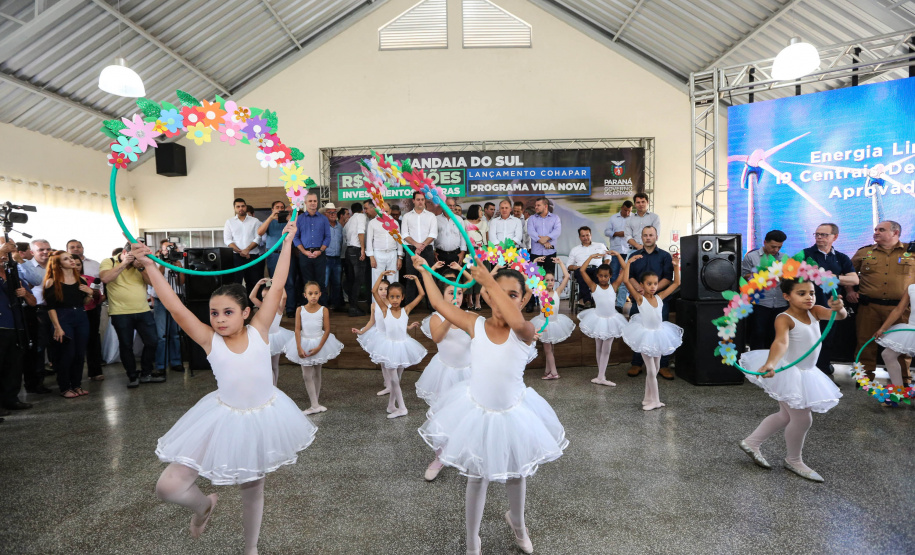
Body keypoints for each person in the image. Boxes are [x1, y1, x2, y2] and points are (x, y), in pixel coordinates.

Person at [135, 221, 317, 555]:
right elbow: (175, 306)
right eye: (214, 313)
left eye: (228, 312)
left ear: (247, 312)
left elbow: (277, 284)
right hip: (221, 418)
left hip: (264, 417)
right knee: (168, 486)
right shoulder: (209, 340)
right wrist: (149, 265)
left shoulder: (260, 330)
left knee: (253, 491)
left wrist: (288, 241)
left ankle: (250, 549)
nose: (219, 319)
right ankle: (204, 505)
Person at [416, 259, 567, 555]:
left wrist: (489, 282)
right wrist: (423, 271)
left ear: (524, 300)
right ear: (487, 296)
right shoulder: (476, 324)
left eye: (512, 294)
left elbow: (514, 318)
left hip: (514, 413)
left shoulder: (524, 331)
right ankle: (473, 540)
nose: (503, 298)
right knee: (476, 477)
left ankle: (518, 523)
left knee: (516, 474)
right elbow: (437, 302)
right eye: (498, 291)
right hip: (477, 412)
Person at [738, 278, 846, 482]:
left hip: (808, 372)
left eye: (812, 293)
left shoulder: (815, 311)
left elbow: (839, 316)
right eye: (802, 293)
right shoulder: (784, 318)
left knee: (785, 416)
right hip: (791, 373)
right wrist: (771, 363)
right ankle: (794, 460)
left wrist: (839, 308)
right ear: (787, 296)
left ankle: (751, 442)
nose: (809, 297)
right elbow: (781, 342)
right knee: (803, 418)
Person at [415, 263, 474, 482]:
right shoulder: (436, 318)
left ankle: (466, 453)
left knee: (467, 416)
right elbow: (438, 338)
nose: (456, 296)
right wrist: (451, 315)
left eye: (459, 292)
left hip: (467, 373)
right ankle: (439, 456)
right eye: (451, 293)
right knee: (443, 416)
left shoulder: (470, 316)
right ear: (442, 294)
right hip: (444, 374)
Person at [850, 221, 915, 383]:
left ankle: (903, 381)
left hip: (900, 308)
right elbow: (848, 272)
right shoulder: (864, 252)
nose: (876, 232)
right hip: (869, 307)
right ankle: (864, 379)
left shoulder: (912, 251)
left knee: (901, 347)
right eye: (876, 230)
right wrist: (850, 291)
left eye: (881, 230)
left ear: (895, 233)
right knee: (865, 343)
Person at [622, 254, 682, 410]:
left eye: (655, 283)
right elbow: (626, 281)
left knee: (655, 370)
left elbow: (677, 283)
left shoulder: (660, 297)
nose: (653, 286)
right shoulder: (640, 299)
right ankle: (655, 401)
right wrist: (628, 263)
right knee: (651, 370)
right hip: (646, 336)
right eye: (649, 284)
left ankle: (647, 398)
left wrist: (676, 266)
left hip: (659, 334)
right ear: (642, 284)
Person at [100, 243, 163, 388]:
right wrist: (125, 263)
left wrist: (140, 267)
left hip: (143, 310)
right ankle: (132, 375)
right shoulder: (109, 262)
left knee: (152, 341)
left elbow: (153, 282)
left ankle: (146, 373)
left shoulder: (141, 264)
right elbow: (106, 278)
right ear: (125, 252)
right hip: (120, 312)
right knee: (126, 345)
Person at [802, 224, 858, 375]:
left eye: (824, 235)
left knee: (826, 340)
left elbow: (854, 280)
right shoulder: (805, 254)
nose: (819, 237)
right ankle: (805, 373)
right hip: (807, 308)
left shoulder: (841, 258)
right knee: (807, 341)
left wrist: (835, 278)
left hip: (831, 308)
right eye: (817, 234)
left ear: (835, 237)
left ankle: (823, 373)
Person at [370, 271, 427, 419]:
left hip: (403, 347)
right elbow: (374, 291)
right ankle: (402, 408)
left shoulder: (405, 310)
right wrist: (381, 274)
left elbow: (421, 295)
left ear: (402, 297)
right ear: (387, 298)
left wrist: (416, 279)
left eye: (397, 297)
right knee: (394, 380)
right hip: (389, 348)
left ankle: (391, 405)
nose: (394, 300)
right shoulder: (384, 309)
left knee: (397, 380)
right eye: (391, 297)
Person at [286, 281, 344, 415]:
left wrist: (319, 347)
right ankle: (315, 404)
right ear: (305, 295)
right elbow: (297, 329)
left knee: (317, 373)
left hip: (319, 343)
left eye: (316, 293)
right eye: (310, 293)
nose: (313, 296)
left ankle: (315, 403)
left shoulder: (324, 310)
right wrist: (299, 347)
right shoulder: (300, 310)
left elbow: (327, 329)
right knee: (307, 375)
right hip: (304, 343)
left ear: (320, 294)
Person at [626, 226, 675, 380]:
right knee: (639, 330)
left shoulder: (665, 256)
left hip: (658, 300)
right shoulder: (634, 256)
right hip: (639, 300)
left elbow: (668, 278)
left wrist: (651, 291)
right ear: (641, 237)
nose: (648, 238)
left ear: (656, 237)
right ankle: (636, 363)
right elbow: (630, 276)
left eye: (651, 235)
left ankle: (664, 365)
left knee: (660, 332)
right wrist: (639, 289)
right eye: (645, 235)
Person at [43, 250, 93, 398]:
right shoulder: (52, 282)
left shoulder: (81, 280)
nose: (71, 261)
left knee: (79, 354)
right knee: (67, 354)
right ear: (58, 264)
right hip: (63, 317)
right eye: (66, 259)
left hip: (80, 316)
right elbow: (50, 307)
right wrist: (57, 327)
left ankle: (76, 385)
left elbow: (84, 302)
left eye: (71, 258)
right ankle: (65, 387)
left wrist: (89, 293)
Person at [577, 252, 632, 385]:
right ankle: (600, 376)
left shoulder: (614, 287)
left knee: (606, 349)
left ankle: (601, 376)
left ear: (610, 276)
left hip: (611, 320)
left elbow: (625, 269)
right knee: (599, 347)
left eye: (606, 276)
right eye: (600, 276)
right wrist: (590, 257)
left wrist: (618, 255)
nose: (603, 278)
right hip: (598, 319)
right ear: (597, 276)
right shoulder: (594, 287)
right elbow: (582, 270)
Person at [0, 239, 35, 412]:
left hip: (16, 325)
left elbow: (33, 301)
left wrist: (25, 295)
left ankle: (11, 399)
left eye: (6, 255)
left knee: (14, 366)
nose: (4, 257)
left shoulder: (14, 275)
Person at [530, 257, 576, 381]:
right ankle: (548, 371)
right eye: (547, 280)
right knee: (549, 349)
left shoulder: (557, 292)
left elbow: (566, 277)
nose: (549, 282)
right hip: (544, 324)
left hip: (555, 323)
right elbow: (530, 277)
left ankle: (554, 373)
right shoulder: (540, 292)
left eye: (551, 280)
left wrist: (561, 263)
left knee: (549, 350)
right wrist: (534, 263)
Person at [742, 230, 789, 351]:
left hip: (780, 303)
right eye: (773, 246)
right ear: (765, 242)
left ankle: (773, 363)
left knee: (776, 334)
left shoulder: (784, 258)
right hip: (760, 302)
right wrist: (761, 275)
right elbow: (743, 275)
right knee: (758, 333)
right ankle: (755, 364)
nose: (776, 250)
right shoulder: (752, 257)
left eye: (779, 247)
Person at [17, 238, 53, 394]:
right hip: (35, 310)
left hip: (54, 309)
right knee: (37, 348)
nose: (45, 252)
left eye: (47, 249)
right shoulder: (23, 267)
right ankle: (34, 384)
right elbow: (32, 282)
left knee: (54, 346)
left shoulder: (54, 266)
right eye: (41, 249)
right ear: (32, 252)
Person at [67, 240, 104, 380]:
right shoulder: (62, 280)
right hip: (71, 313)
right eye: (73, 264)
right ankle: (72, 375)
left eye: (78, 265)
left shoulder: (89, 278)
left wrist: (91, 292)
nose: (76, 267)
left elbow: (98, 296)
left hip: (90, 311)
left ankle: (95, 371)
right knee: (73, 344)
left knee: (93, 340)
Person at [149, 240, 185, 375]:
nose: (169, 250)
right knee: (161, 335)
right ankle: (160, 364)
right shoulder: (155, 262)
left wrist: (179, 268)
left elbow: (181, 282)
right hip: (160, 300)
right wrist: (163, 263)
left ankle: (176, 362)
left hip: (176, 298)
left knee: (175, 334)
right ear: (161, 250)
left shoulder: (177, 262)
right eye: (166, 248)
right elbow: (155, 278)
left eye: (171, 248)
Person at [249, 278, 293, 386]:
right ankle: (268, 386)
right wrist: (258, 284)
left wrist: (279, 284)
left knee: (274, 365)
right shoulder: (262, 307)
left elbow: (284, 297)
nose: (264, 300)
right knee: (266, 365)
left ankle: (275, 386)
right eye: (263, 297)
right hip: (264, 338)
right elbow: (251, 297)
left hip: (276, 338)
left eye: (267, 297)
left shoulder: (278, 308)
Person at [352, 278, 392, 396]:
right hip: (379, 336)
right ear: (377, 291)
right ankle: (388, 383)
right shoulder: (374, 305)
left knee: (390, 362)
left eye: (386, 289)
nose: (383, 291)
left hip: (390, 336)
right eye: (380, 289)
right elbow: (371, 322)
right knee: (382, 362)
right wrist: (361, 331)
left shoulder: (392, 304)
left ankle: (393, 383)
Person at [257, 200, 298, 316]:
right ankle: (275, 309)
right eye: (277, 207)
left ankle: (290, 309)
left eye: (281, 207)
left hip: (287, 254)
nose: (280, 209)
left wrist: (289, 218)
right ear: (272, 209)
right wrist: (271, 217)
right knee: (274, 283)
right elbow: (259, 232)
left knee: (289, 282)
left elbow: (296, 229)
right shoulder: (268, 221)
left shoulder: (288, 221)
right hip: (273, 255)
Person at [292, 191, 331, 307]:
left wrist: (321, 250)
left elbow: (328, 237)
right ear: (305, 203)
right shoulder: (299, 219)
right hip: (304, 255)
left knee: (320, 282)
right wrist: (304, 251)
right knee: (306, 282)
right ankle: (306, 308)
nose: (313, 203)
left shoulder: (324, 219)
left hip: (320, 254)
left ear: (317, 202)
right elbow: (296, 237)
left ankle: (322, 308)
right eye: (310, 201)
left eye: (315, 201)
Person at [400, 191, 437, 306]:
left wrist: (422, 246)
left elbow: (433, 234)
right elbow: (404, 234)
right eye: (418, 199)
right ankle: (410, 306)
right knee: (411, 277)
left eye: (422, 199)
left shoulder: (431, 216)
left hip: (427, 249)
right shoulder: (407, 216)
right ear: (413, 201)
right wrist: (416, 245)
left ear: (425, 200)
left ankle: (432, 306)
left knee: (429, 277)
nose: (420, 202)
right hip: (411, 249)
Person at [874, 284, 915, 386]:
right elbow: (899, 310)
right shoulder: (912, 287)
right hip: (912, 328)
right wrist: (883, 328)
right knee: (888, 355)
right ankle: (898, 391)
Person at [223, 198, 264, 296]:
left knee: (254, 283)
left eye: (243, 206)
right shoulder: (229, 222)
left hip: (252, 257)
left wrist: (247, 250)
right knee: (236, 283)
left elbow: (258, 238)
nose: (241, 208)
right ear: (234, 208)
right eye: (238, 206)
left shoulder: (255, 221)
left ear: (245, 207)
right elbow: (227, 240)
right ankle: (239, 307)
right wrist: (241, 251)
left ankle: (254, 306)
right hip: (236, 257)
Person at [567, 226, 611, 310]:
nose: (585, 238)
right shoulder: (575, 249)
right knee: (580, 272)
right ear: (579, 237)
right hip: (582, 269)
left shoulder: (600, 245)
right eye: (583, 236)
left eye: (587, 235)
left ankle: (594, 300)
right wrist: (576, 267)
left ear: (591, 235)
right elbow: (569, 265)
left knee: (600, 274)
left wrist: (605, 265)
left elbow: (608, 256)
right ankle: (588, 301)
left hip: (597, 269)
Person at [603, 201, 633, 309]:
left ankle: (620, 304)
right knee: (614, 276)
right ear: (622, 208)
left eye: (629, 211)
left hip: (629, 251)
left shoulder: (633, 218)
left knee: (627, 277)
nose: (627, 212)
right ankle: (611, 301)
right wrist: (617, 234)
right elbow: (606, 232)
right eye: (625, 210)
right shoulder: (613, 218)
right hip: (616, 251)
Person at [366, 205, 403, 286]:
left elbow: (399, 240)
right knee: (377, 281)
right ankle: (376, 299)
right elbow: (369, 241)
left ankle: (393, 298)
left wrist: (400, 257)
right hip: (378, 254)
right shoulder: (372, 223)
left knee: (393, 280)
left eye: (386, 211)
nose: (384, 213)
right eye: (382, 211)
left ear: (390, 210)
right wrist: (371, 257)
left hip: (392, 253)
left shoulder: (395, 222)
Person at [343, 202, 367, 316]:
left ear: (351, 211)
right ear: (362, 210)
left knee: (351, 280)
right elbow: (361, 232)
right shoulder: (361, 217)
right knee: (358, 280)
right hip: (357, 250)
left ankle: (352, 306)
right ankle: (353, 308)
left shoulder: (349, 221)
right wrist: (363, 248)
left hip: (349, 251)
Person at [319, 203, 344, 312]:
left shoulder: (340, 227)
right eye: (330, 212)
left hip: (337, 258)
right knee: (324, 283)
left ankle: (335, 304)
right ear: (325, 214)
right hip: (325, 258)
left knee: (337, 283)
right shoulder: (322, 226)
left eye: (335, 212)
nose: (333, 214)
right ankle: (323, 305)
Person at [527, 197, 561, 277]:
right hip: (535, 253)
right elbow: (531, 232)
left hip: (550, 253)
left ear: (545, 206)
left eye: (538, 205)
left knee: (549, 279)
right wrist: (543, 241)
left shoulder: (555, 218)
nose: (536, 207)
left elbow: (557, 231)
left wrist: (545, 239)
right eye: (535, 205)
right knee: (534, 279)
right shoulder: (532, 218)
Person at [463, 205, 488, 311]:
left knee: (480, 275)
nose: (482, 212)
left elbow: (487, 238)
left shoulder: (484, 223)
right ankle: (469, 299)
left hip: (482, 251)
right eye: (480, 210)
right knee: (469, 274)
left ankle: (477, 299)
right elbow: (463, 238)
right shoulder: (465, 223)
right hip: (469, 251)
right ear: (474, 211)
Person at [435, 197, 466, 268]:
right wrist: (433, 251)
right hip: (440, 254)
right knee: (441, 277)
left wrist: (462, 252)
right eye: (449, 205)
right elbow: (432, 236)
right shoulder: (436, 219)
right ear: (444, 206)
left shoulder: (459, 219)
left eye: (453, 205)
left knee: (456, 277)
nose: (452, 207)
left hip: (456, 254)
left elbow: (463, 236)